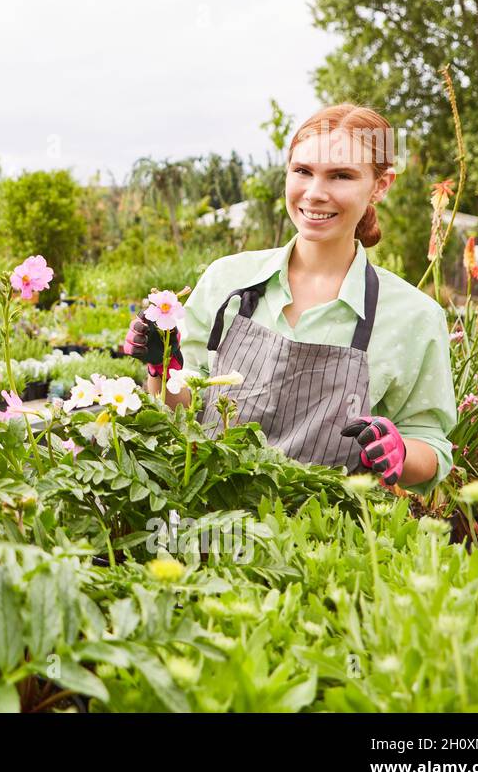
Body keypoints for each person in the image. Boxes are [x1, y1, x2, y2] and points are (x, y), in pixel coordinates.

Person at [121, 104, 457, 495]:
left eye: (341, 176)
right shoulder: (226, 280)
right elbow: (182, 417)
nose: (315, 193)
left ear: (380, 186)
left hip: (325, 540)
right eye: (303, 171)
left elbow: (431, 447)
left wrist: (400, 450)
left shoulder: (413, 316)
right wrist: (162, 367)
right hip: (207, 520)